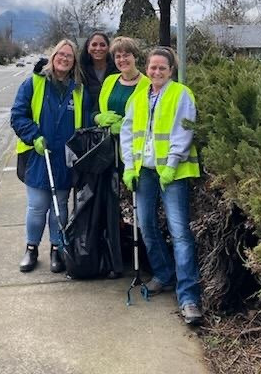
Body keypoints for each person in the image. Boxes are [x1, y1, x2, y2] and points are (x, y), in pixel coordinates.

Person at [120, 46, 203, 325]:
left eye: (162, 68)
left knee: (179, 232)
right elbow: (128, 132)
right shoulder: (139, 96)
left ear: (171, 70)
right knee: (146, 225)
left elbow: (185, 130)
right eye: (152, 67)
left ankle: (189, 297)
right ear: (146, 68)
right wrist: (129, 166)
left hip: (173, 173)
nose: (156, 72)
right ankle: (163, 274)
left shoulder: (181, 94)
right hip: (144, 172)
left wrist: (172, 164)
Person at [11, 39, 91, 274]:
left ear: (74, 61)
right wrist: (33, 136)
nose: (64, 59)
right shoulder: (34, 84)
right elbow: (18, 115)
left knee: (60, 207)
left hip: (65, 158)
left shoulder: (79, 90)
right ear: (53, 57)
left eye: (69, 56)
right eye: (60, 55)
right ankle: (31, 248)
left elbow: (84, 122)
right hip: (39, 155)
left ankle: (57, 248)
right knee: (37, 207)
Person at [92, 36, 151, 277]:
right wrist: (99, 119)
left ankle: (142, 257)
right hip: (108, 153)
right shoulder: (109, 82)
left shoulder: (147, 84)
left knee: (135, 208)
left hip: (134, 156)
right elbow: (98, 109)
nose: (122, 59)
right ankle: (116, 258)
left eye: (126, 54)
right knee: (112, 208)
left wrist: (126, 126)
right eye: (117, 56)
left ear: (135, 57)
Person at [79, 32, 117, 108]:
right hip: (85, 116)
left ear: (108, 48)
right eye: (94, 45)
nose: (98, 48)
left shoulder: (117, 71)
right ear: (87, 47)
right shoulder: (80, 71)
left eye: (102, 45)